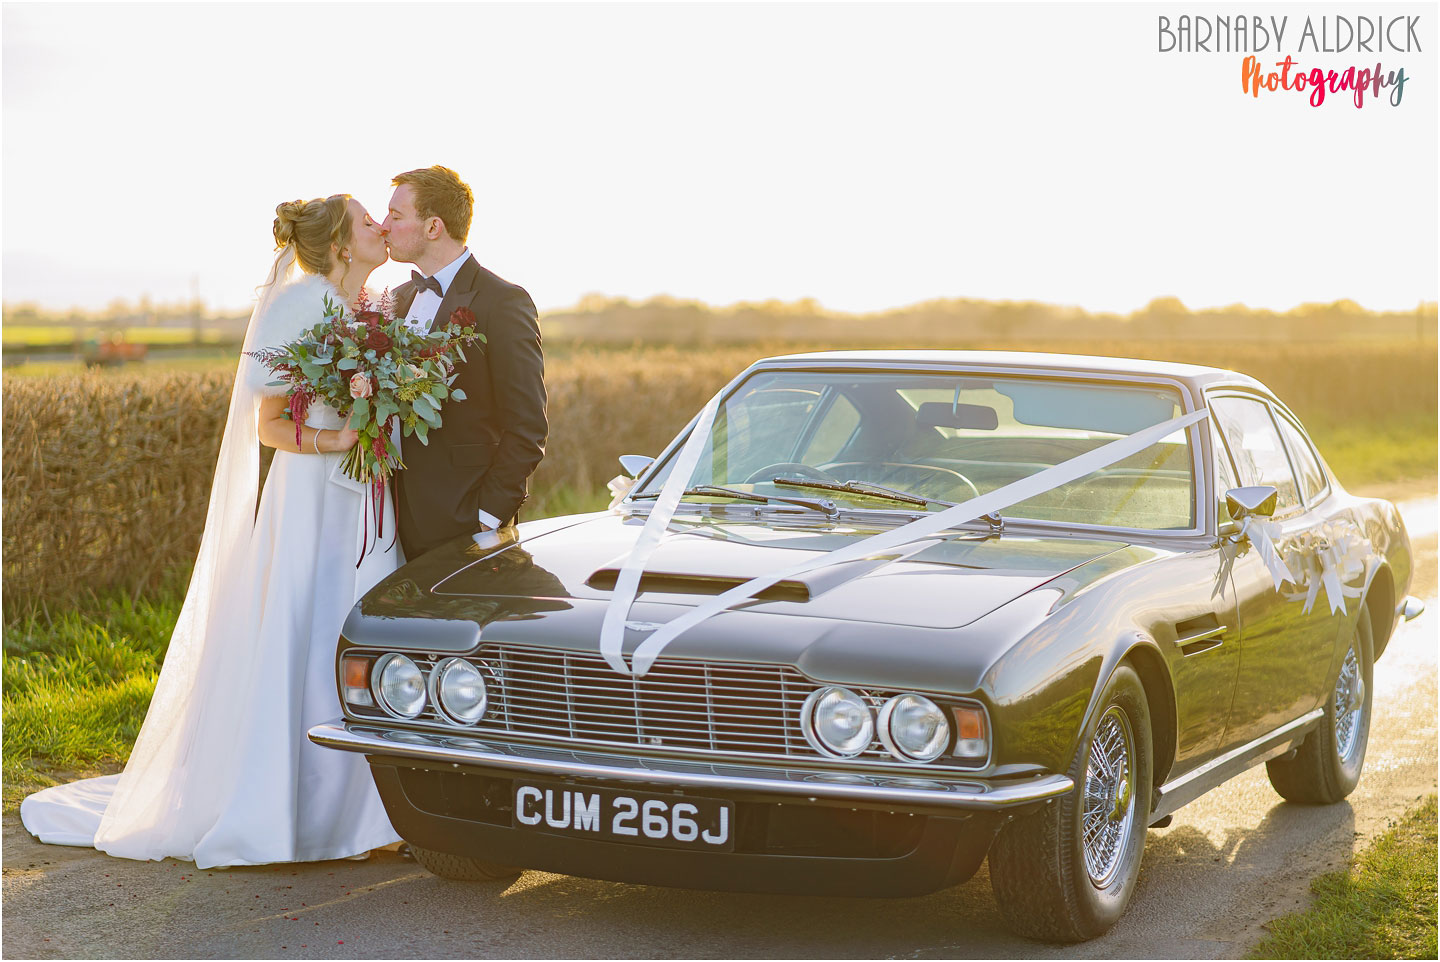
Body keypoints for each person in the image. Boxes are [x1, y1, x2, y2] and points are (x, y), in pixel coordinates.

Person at [20, 195, 402, 867]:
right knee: (307, 627)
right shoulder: (299, 305)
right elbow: (265, 424)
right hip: (312, 496)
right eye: (369, 221)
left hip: (365, 498)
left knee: (361, 627)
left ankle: (371, 810)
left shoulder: (373, 310)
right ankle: (296, 810)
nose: (380, 228)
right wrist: (333, 437)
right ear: (341, 244)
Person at [381, 165, 548, 559]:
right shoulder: (396, 300)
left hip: (464, 524)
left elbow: (527, 426)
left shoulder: (502, 301)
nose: (384, 225)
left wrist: (488, 518)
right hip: (386, 522)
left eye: (396, 215)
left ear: (433, 227)